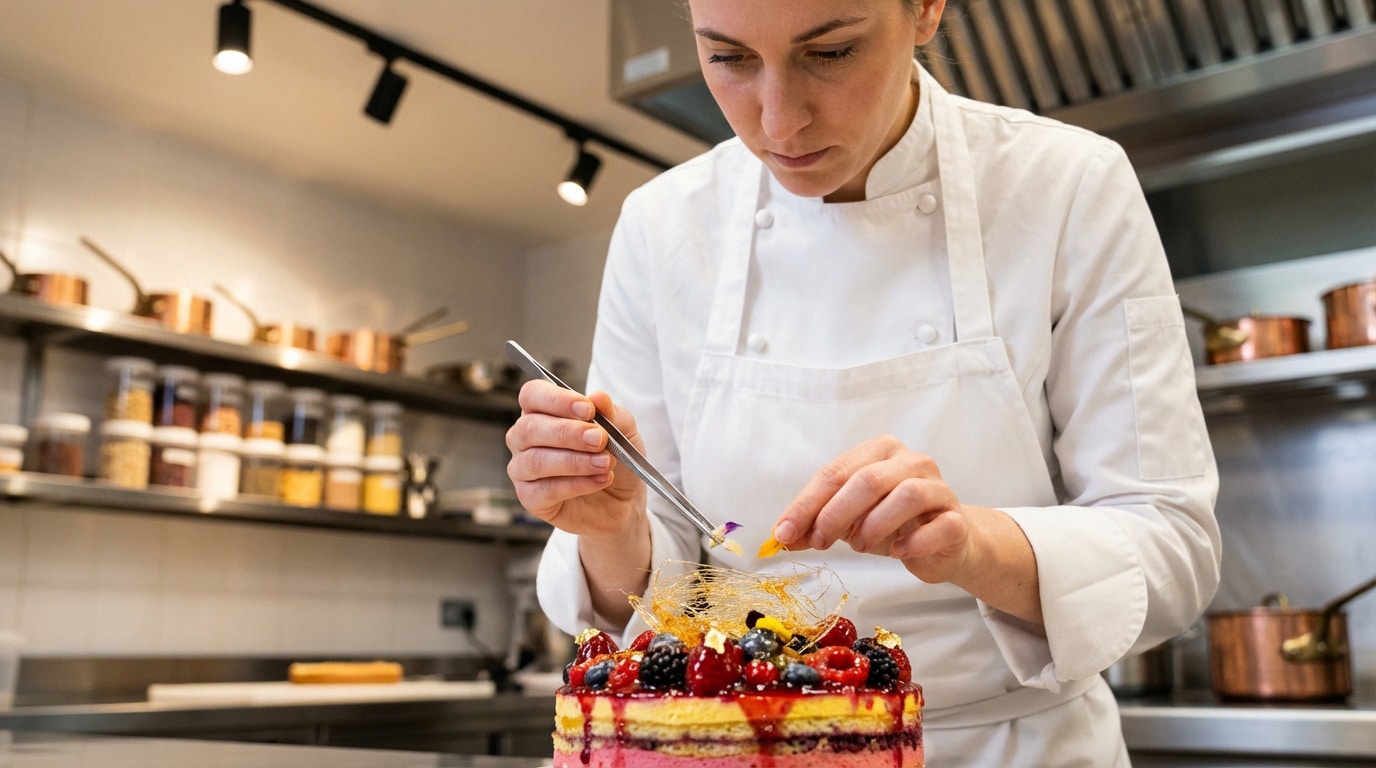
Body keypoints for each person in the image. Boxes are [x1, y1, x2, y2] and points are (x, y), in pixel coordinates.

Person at [505, 0, 1221, 764]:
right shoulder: (662, 225)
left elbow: (1171, 546)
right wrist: (612, 526)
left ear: (925, 10)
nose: (779, 124)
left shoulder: (1069, 185)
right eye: (728, 59)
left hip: (1009, 748)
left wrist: (972, 544)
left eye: (832, 52)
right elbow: (665, 577)